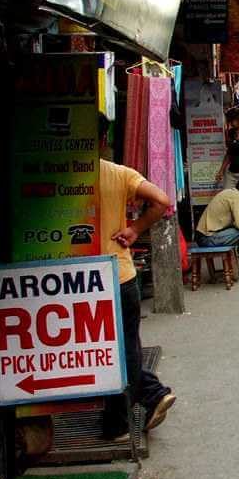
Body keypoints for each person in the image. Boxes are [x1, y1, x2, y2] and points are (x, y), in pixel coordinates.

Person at [98, 117, 175, 441]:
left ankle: (120, 420)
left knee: (107, 351)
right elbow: (162, 201)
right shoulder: (118, 174)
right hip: (120, 273)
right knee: (125, 347)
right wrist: (135, 229)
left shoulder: (57, 175)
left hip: (77, 280)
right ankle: (149, 395)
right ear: (104, 139)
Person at [215, 107, 239, 190]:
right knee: (227, 196)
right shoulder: (231, 133)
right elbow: (229, 154)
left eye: (232, 121)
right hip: (232, 174)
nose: (231, 124)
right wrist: (221, 171)